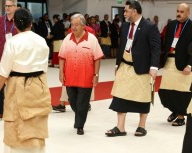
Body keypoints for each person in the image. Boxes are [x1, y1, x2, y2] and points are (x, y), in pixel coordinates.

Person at [0, 8, 51, 153]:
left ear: (15, 25)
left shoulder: (13, 42)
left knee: (16, 122)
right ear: (31, 22)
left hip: (18, 85)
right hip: (39, 84)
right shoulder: (41, 41)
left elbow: (3, 72)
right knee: (37, 120)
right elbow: (44, 67)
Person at [105, 0, 160, 137]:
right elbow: (122, 46)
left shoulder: (150, 27)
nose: (124, 13)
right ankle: (120, 128)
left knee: (143, 97)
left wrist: (154, 67)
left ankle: (141, 126)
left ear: (134, 11)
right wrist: (117, 64)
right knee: (119, 96)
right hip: (125, 66)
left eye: (126, 11)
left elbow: (155, 49)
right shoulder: (124, 26)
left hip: (142, 69)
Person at [59, 13, 103, 135]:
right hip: (70, 77)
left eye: (76, 25)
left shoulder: (92, 39)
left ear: (83, 25)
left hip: (86, 77)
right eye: (72, 25)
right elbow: (62, 57)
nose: (73, 27)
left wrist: (96, 75)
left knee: (82, 104)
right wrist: (61, 72)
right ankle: (80, 116)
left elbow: (97, 58)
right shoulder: (67, 39)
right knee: (73, 101)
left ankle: (79, 125)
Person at [158, 3, 192, 126]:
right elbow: (165, 43)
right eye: (177, 11)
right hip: (169, 62)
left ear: (188, 13)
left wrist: (190, 65)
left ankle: (181, 116)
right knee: (166, 90)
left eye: (182, 11)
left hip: (183, 64)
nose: (179, 13)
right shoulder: (171, 25)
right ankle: (175, 110)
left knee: (181, 92)